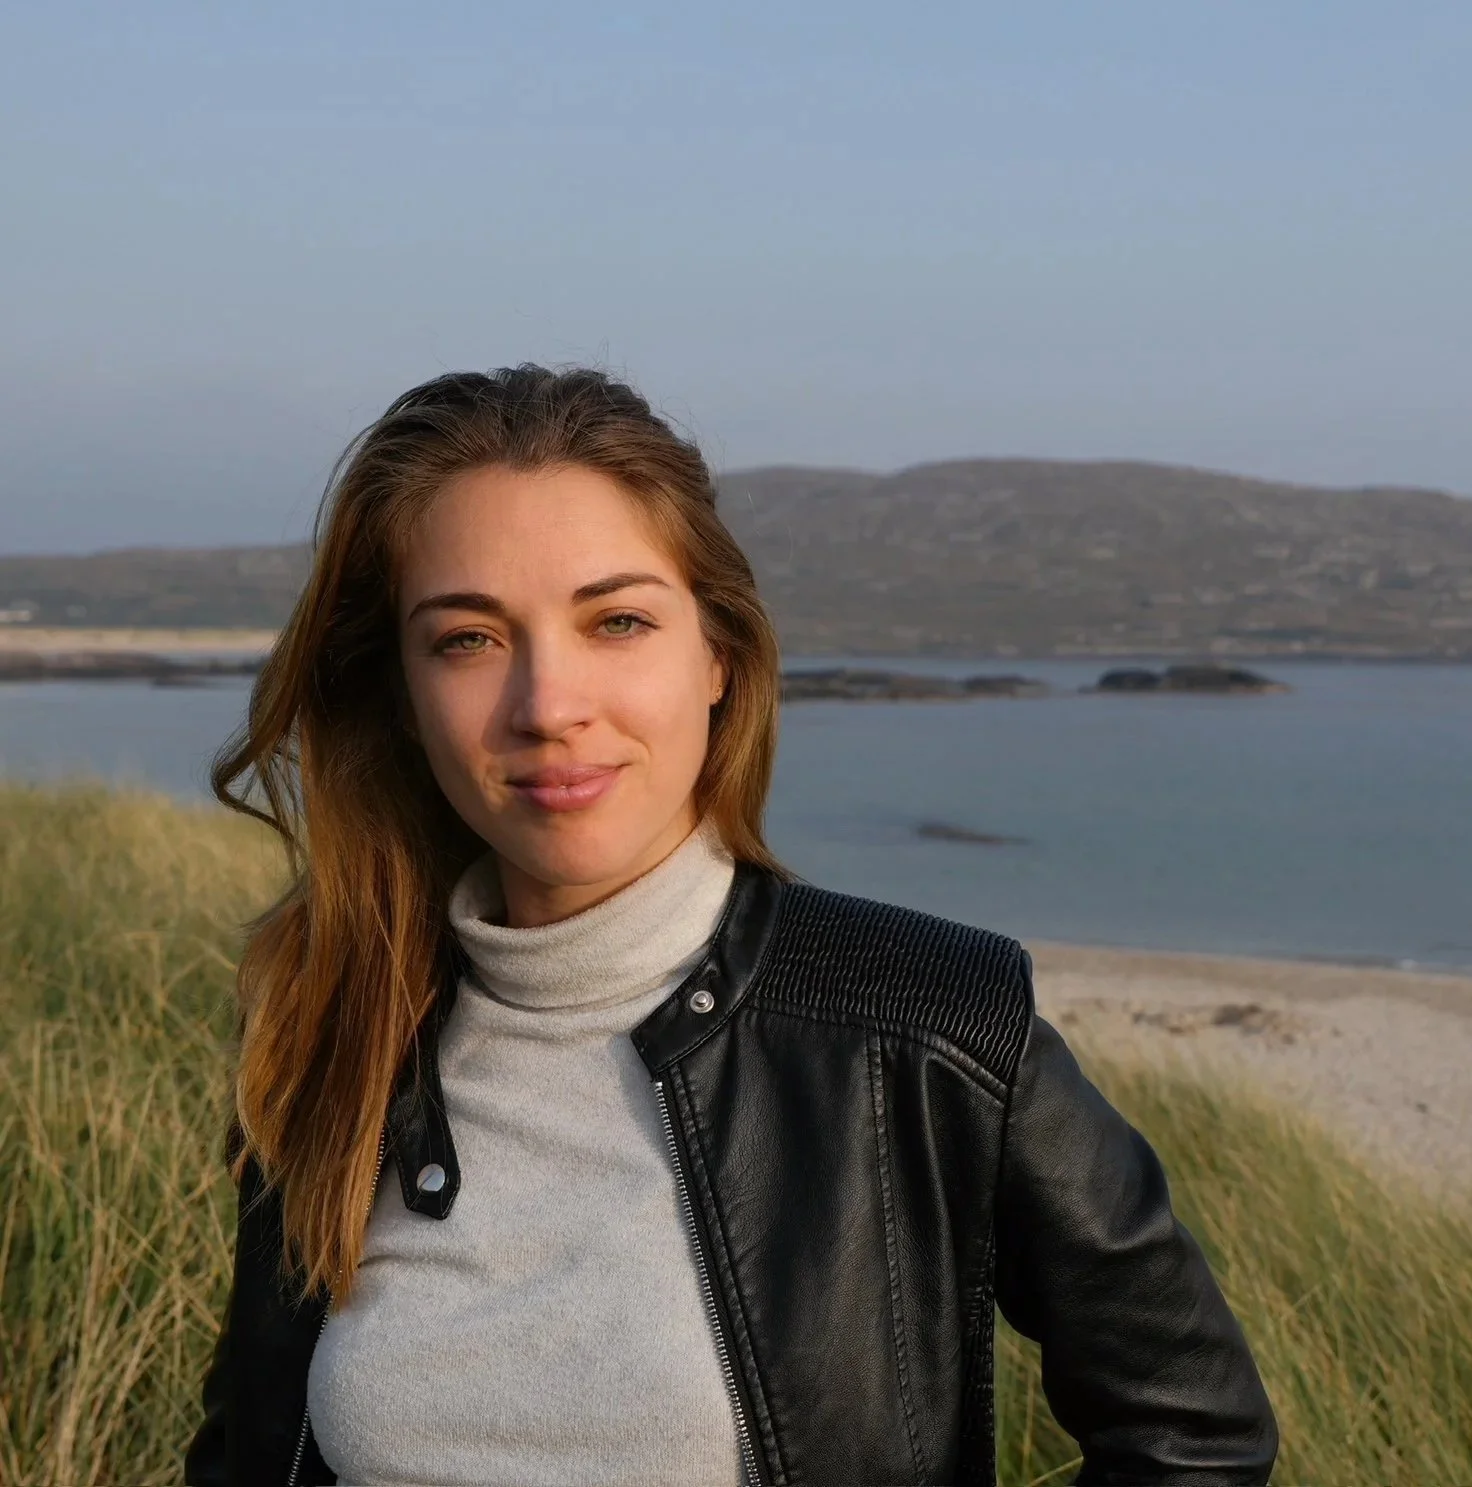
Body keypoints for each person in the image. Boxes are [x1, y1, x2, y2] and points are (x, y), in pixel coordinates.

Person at [184, 364, 1278, 1487]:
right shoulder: (334, 1029)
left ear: (716, 654)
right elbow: (243, 1453)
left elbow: (1193, 1436)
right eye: (467, 638)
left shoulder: (925, 1025)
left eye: (616, 620)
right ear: (401, 694)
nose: (548, 705)